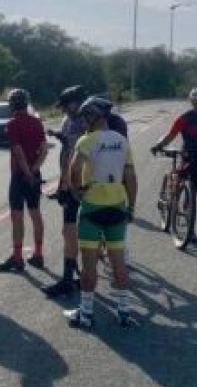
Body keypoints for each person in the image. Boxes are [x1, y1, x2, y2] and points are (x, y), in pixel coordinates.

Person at [64, 96, 139, 328]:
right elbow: (131, 177)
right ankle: (124, 311)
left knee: (89, 265)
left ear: (95, 116)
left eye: (86, 116)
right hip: (117, 206)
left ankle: (86, 313)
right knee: (118, 263)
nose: (84, 120)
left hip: (92, 206)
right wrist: (131, 207)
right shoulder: (122, 141)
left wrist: (77, 193)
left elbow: (73, 170)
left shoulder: (86, 140)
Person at [151, 87, 197, 244]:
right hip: (188, 159)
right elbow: (171, 135)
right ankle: (189, 230)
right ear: (192, 102)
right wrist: (159, 145)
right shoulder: (184, 118)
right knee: (188, 194)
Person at [41, 85, 89, 298]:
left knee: (82, 233)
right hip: (69, 183)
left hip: (84, 184)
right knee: (68, 231)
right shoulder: (68, 120)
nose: (64, 111)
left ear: (78, 102)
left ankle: (78, 278)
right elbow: (67, 149)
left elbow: (80, 154)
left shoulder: (88, 122)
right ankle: (70, 278)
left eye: (66, 106)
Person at [0, 89, 49, 272]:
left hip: (19, 175)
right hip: (35, 174)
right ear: (27, 104)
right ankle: (38, 254)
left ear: (11, 105)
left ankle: (17, 257)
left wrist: (26, 173)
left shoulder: (12, 124)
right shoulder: (37, 122)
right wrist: (34, 171)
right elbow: (44, 150)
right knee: (35, 213)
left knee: (17, 216)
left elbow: (17, 152)